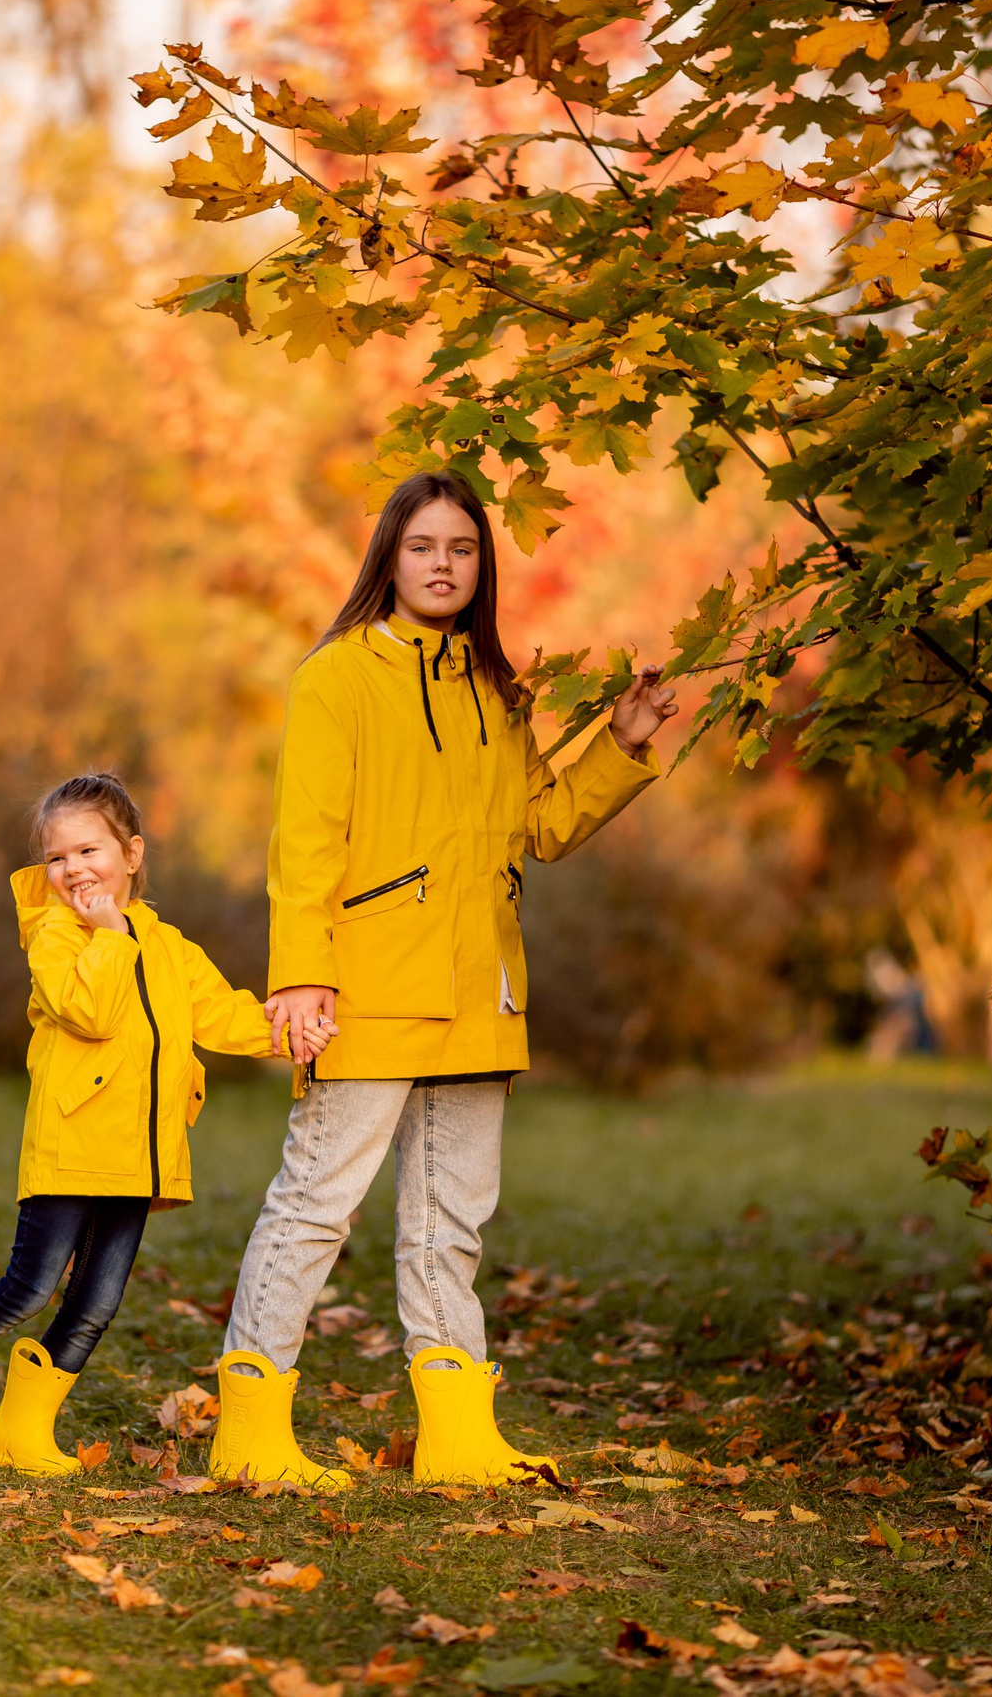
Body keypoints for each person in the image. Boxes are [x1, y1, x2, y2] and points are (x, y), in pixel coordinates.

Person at [206, 469, 681, 1491]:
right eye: (422, 546)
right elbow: (306, 841)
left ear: (481, 568)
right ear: (389, 557)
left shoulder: (497, 692)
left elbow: (541, 825)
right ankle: (247, 1424)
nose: (442, 564)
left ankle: (457, 1432)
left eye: (462, 549)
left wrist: (622, 742)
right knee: (315, 1205)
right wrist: (302, 975)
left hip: (480, 992)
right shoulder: (337, 676)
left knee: (451, 1222)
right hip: (367, 988)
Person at [0, 773, 327, 1475]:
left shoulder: (169, 946)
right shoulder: (55, 937)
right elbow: (92, 1013)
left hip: (138, 1155)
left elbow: (224, 1015)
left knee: (97, 1301)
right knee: (29, 1287)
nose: (73, 868)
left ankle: (20, 1429)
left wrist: (291, 1031)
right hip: (71, 1146)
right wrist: (108, 935)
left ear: (132, 853)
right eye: (57, 856)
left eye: (88, 850)